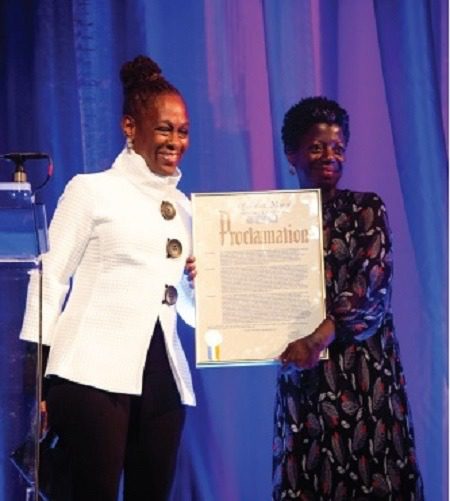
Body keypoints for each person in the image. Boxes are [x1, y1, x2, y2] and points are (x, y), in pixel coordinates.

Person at [20, 55, 197, 501]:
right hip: (90, 375)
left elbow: (189, 312)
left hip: (163, 379)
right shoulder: (90, 190)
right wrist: (35, 379)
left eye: (182, 130)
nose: (175, 140)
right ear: (130, 127)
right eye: (163, 128)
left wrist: (199, 280)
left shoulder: (188, 211)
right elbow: (49, 279)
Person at [272, 97, 424, 500]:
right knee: (311, 477)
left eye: (338, 147)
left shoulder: (365, 208)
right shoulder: (273, 217)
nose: (330, 156)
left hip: (362, 373)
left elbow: (370, 284)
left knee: (372, 475)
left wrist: (317, 338)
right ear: (292, 153)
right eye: (317, 146)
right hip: (304, 376)